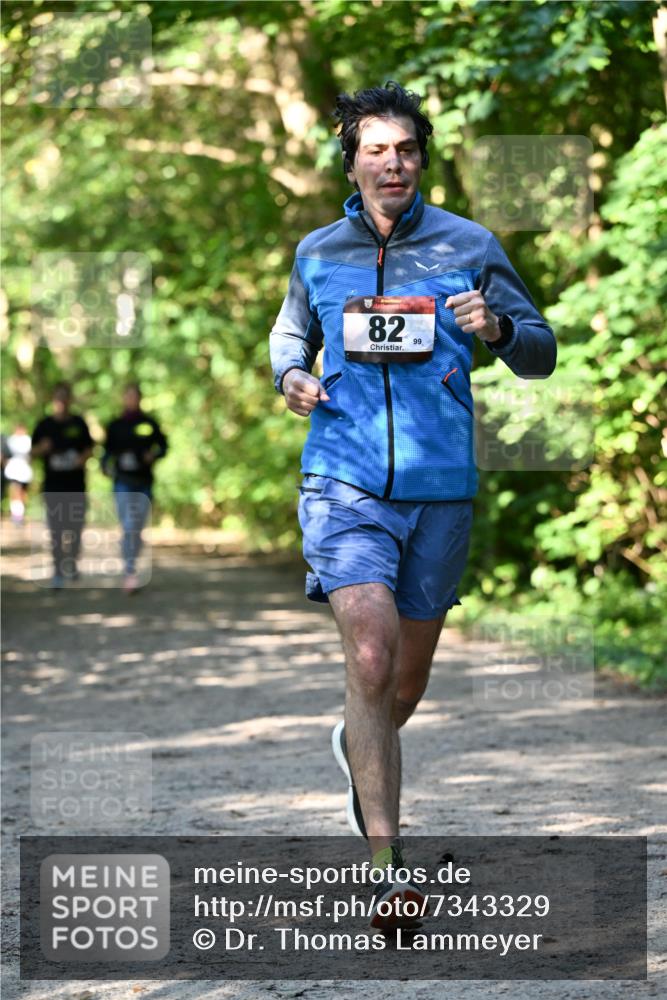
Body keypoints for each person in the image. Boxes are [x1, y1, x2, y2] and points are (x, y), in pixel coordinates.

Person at [269, 82, 556, 930]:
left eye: (405, 149)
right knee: (368, 653)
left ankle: (359, 742)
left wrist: (497, 331)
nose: (391, 163)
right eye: (375, 149)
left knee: (402, 680)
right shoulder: (318, 251)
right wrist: (290, 373)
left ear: (420, 158)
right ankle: (387, 870)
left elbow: (537, 351)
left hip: (439, 487)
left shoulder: (469, 244)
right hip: (343, 478)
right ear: (350, 161)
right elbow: (291, 332)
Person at [101, 383, 167, 594]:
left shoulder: (149, 424)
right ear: (123, 398)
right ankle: (130, 571)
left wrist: (153, 455)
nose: (131, 399)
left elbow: (163, 446)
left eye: (135, 396)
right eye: (127, 395)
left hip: (144, 482)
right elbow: (106, 452)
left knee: (137, 527)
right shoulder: (115, 425)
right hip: (122, 481)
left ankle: (132, 564)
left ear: (140, 398)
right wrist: (105, 466)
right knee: (128, 524)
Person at [31, 383, 94, 587]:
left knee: (74, 528)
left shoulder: (79, 423)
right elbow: (32, 453)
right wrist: (43, 448)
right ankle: (58, 569)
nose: (62, 402)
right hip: (53, 487)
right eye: (58, 397)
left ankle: (72, 562)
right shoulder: (44, 425)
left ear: (70, 400)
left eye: (65, 397)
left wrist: (81, 458)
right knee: (56, 529)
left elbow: (90, 448)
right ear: (53, 400)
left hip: (76, 486)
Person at [4, 424, 33, 524]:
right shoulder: (11, 440)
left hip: (24, 471)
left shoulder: (28, 440)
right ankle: (16, 516)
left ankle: (20, 514)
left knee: (23, 493)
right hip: (13, 470)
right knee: (15, 491)